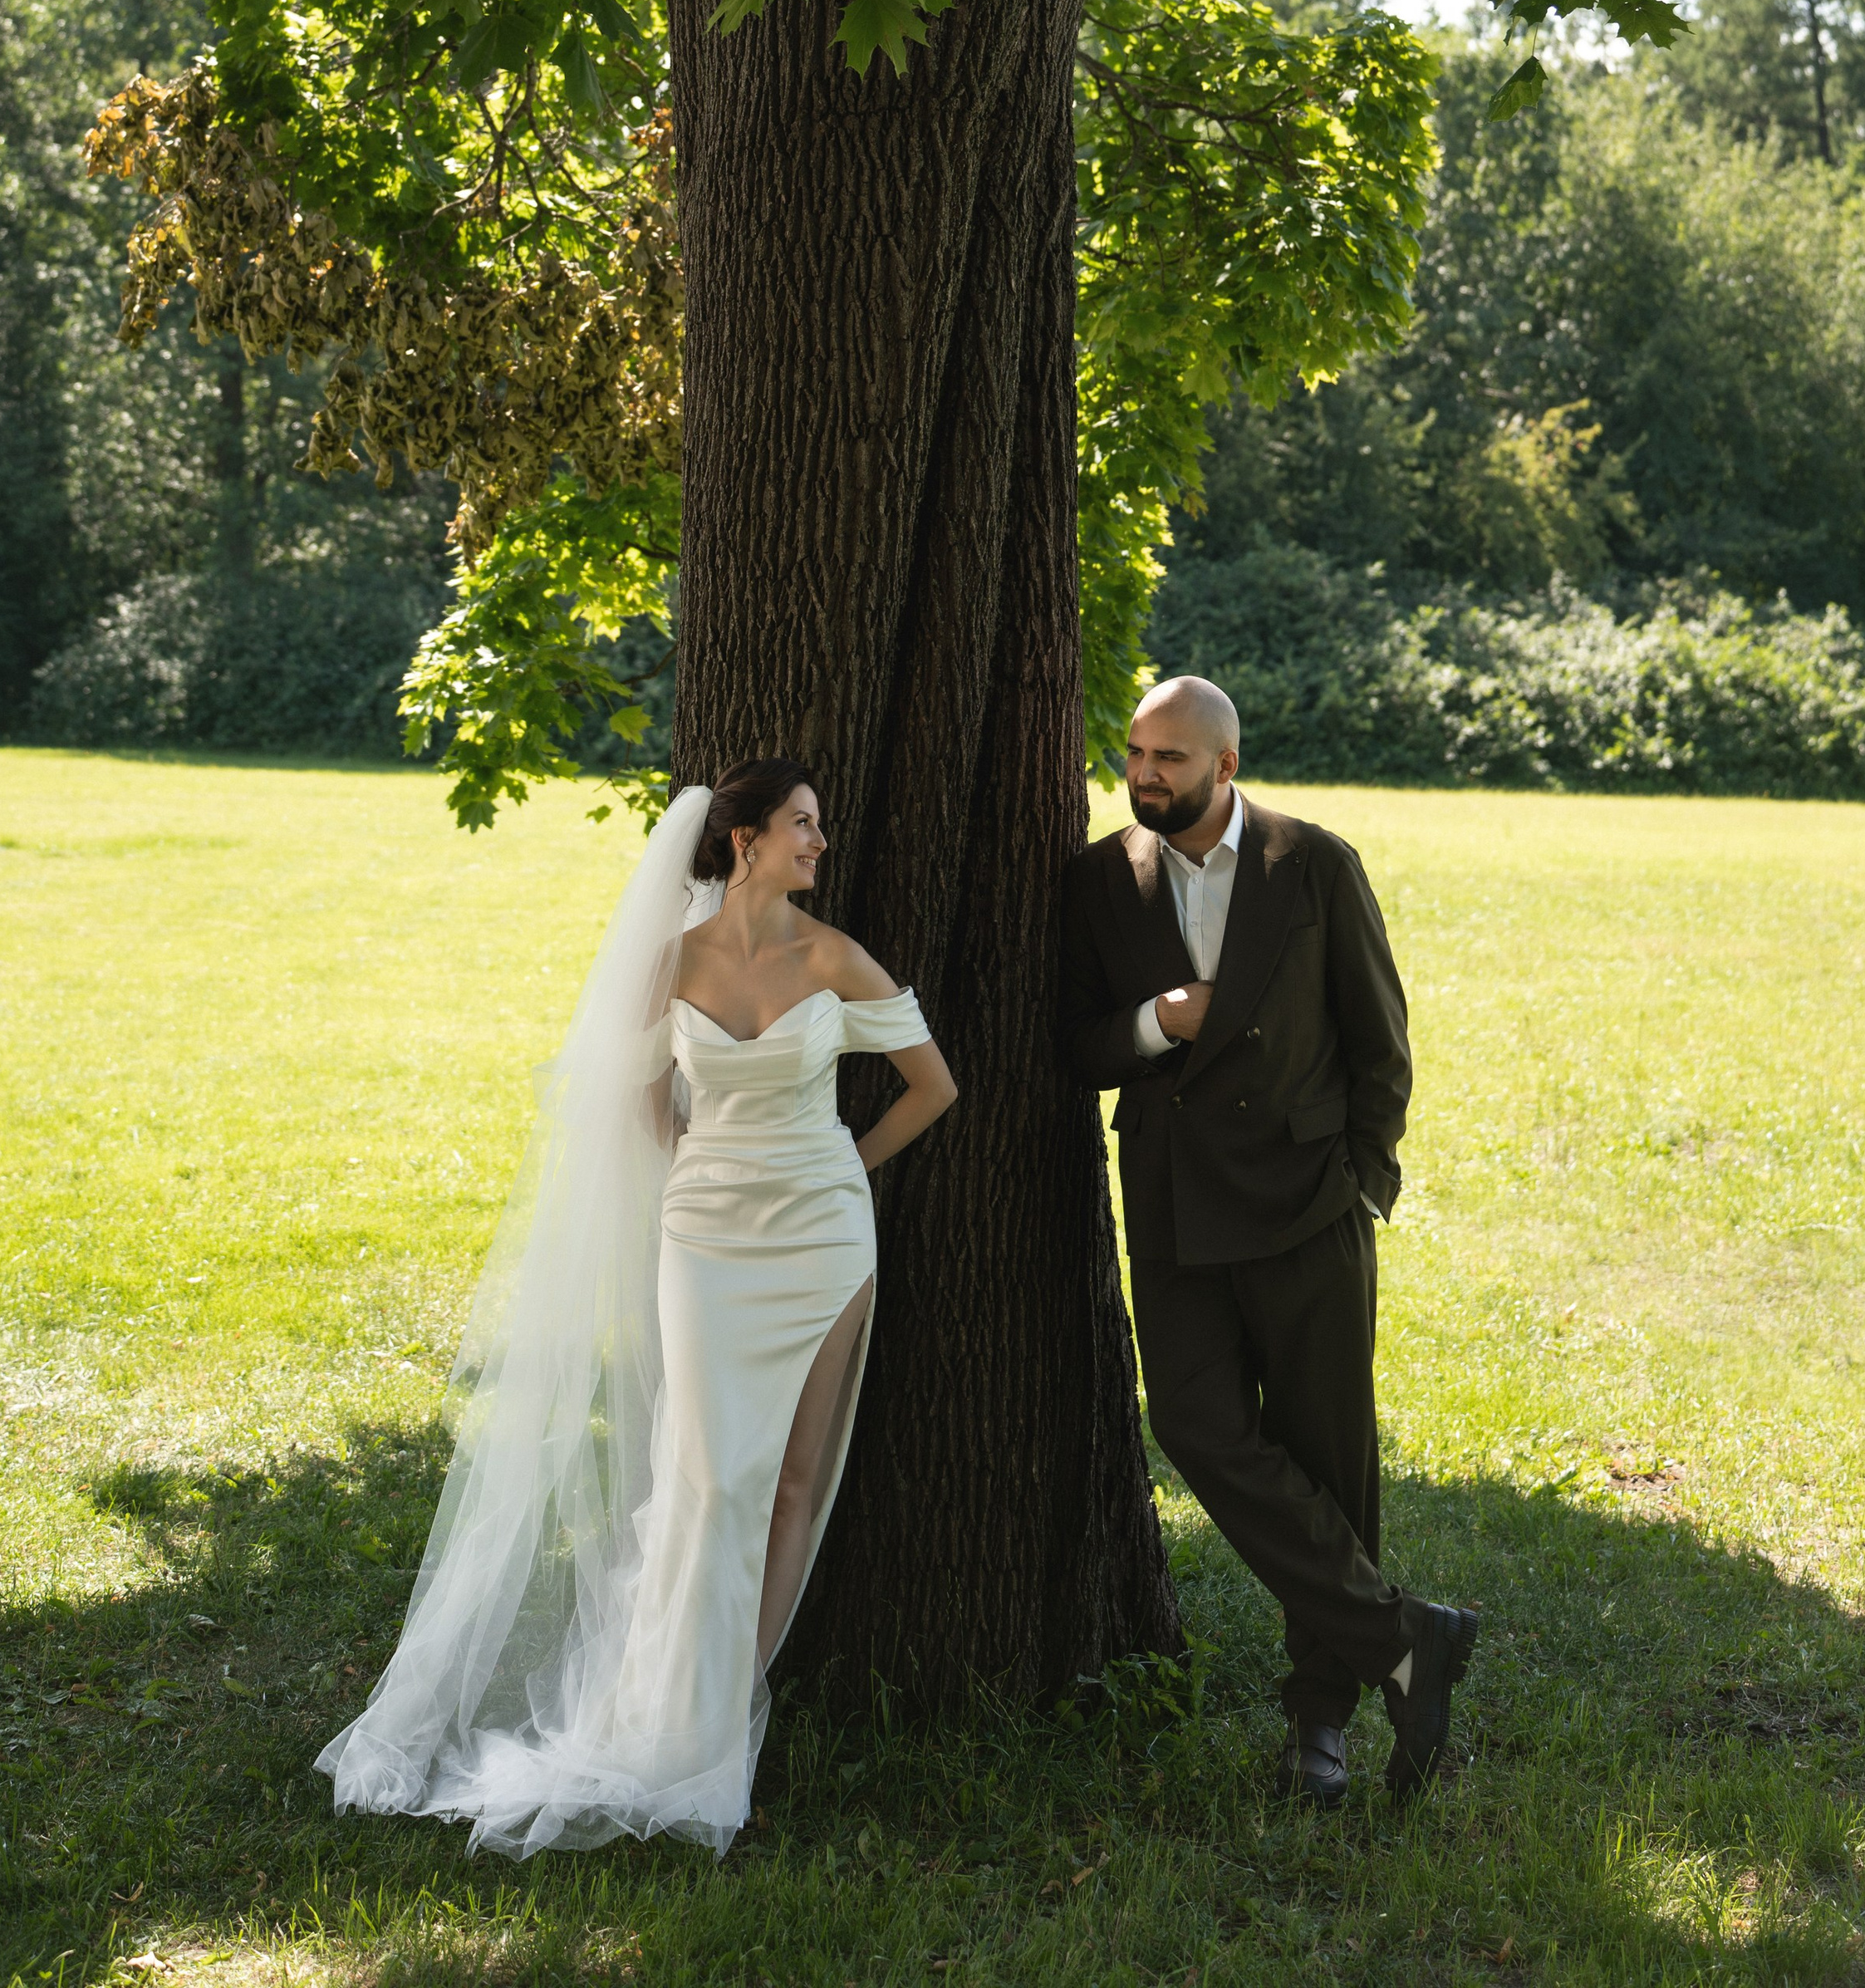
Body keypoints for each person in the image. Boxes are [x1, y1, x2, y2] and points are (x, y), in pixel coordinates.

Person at [318, 760, 955, 1857]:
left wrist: (848, 1162)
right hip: (705, 1244)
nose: (820, 844)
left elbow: (932, 1086)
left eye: (821, 828)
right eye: (803, 826)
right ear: (746, 839)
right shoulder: (675, 965)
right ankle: (671, 1717)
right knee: (710, 1482)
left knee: (795, 1480)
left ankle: (723, 1728)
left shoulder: (835, 957)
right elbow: (624, 1089)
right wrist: (696, 1168)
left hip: (824, 1242)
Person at [1058, 677, 1478, 1806]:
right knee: (1195, 1427)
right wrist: (1158, 1023)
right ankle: (1403, 1641)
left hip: (1307, 1209)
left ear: (1226, 765)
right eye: (1137, 754)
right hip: (1177, 1211)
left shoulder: (1314, 865)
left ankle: (1319, 1725)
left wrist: (1363, 1186)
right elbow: (1072, 1041)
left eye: (1172, 760)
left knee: (1327, 1457)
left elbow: (1378, 1037)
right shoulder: (1102, 877)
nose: (1146, 776)